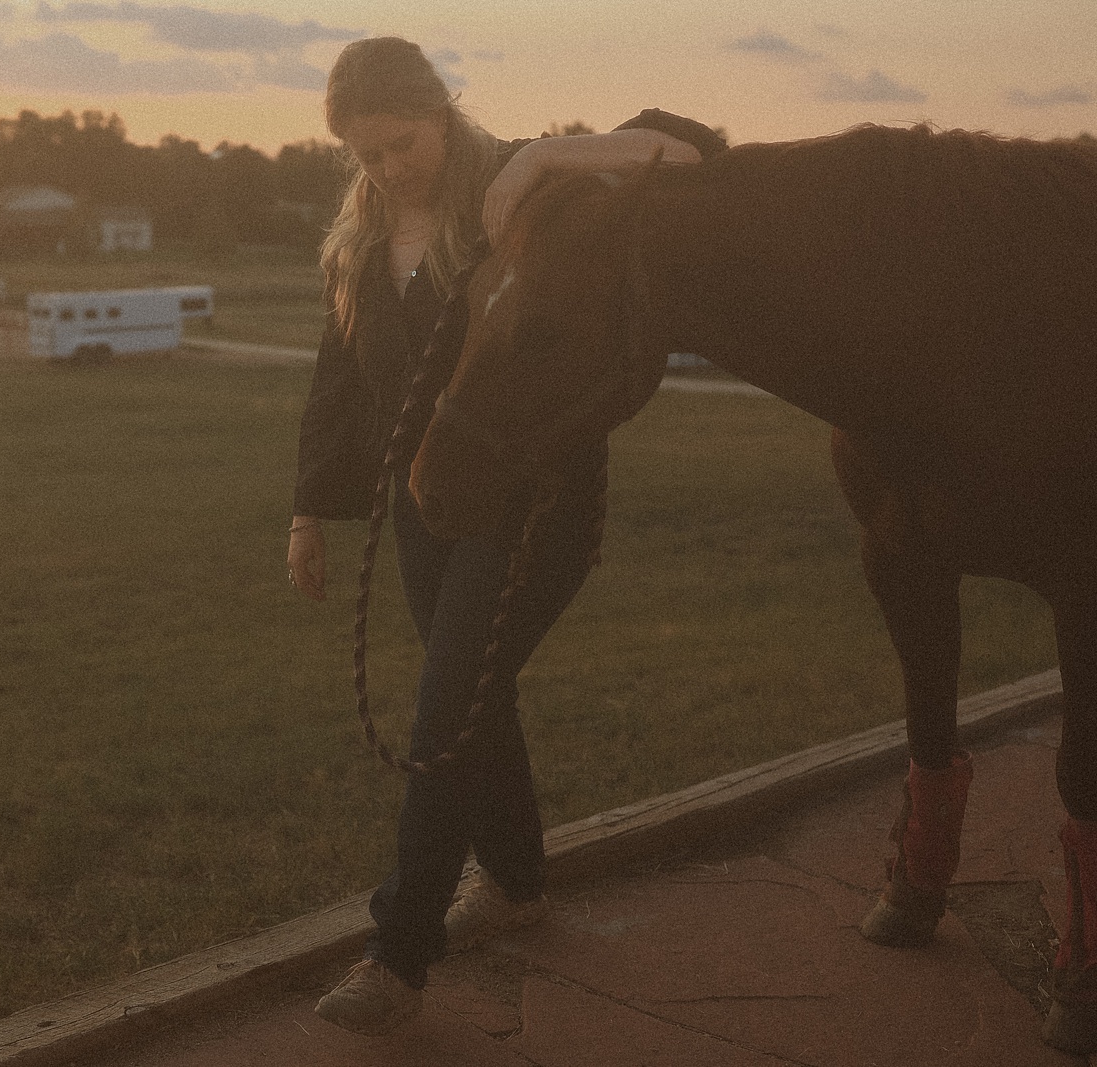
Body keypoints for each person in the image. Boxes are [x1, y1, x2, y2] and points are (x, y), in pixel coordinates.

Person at [287, 36, 727, 1036]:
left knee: (446, 704)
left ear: (440, 111)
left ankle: (397, 951)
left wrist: (542, 156)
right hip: (423, 505)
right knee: (474, 698)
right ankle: (519, 878)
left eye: (401, 143)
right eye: (367, 154)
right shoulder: (359, 238)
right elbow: (339, 377)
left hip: (534, 507)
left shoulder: (526, 194)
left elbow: (697, 150)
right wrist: (309, 508)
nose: (388, 168)